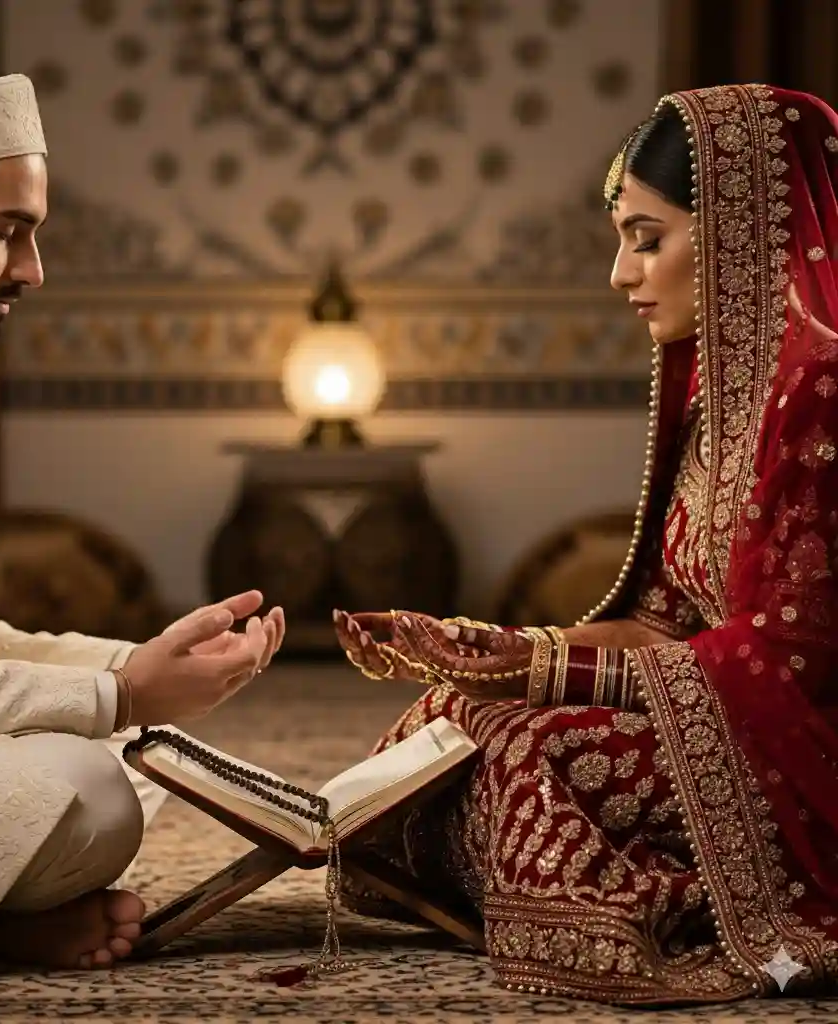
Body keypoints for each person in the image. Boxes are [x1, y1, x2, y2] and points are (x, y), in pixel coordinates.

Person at [336, 83, 838, 1005]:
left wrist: (544, 672)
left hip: (799, 759)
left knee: (534, 756)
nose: (620, 273)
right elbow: (663, 624)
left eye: (646, 239)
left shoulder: (818, 395)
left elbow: (794, 668)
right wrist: (484, 652)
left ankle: (649, 905)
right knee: (457, 716)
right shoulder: (720, 398)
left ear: (738, 233)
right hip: (711, 717)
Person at [0, 70, 286, 979]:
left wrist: (137, 667)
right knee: (87, 789)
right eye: (7, 232)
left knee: (138, 764)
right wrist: (121, 697)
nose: (33, 269)